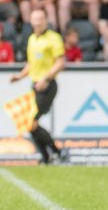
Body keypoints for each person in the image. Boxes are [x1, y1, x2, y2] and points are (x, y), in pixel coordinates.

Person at [9, 9, 66, 164]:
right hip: (35, 85)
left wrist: (46, 79)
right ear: (31, 21)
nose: (38, 22)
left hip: (47, 85)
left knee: (31, 121)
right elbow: (31, 64)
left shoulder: (53, 38)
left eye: (41, 18)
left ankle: (57, 153)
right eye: (35, 19)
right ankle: (47, 157)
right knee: (29, 123)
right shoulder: (32, 39)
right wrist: (19, 76)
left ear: (46, 20)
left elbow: (60, 62)